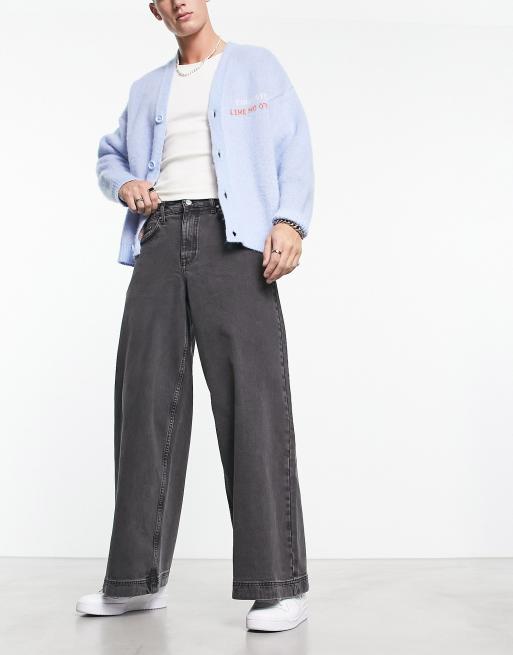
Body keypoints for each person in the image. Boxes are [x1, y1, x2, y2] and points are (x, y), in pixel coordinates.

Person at [76, 0, 315, 633]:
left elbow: (294, 148)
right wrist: (124, 184)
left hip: (236, 245)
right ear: (154, 9)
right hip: (159, 240)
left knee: (254, 407)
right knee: (145, 408)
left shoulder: (257, 68)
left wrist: (290, 221)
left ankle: (278, 584)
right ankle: (136, 581)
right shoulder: (146, 89)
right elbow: (109, 156)